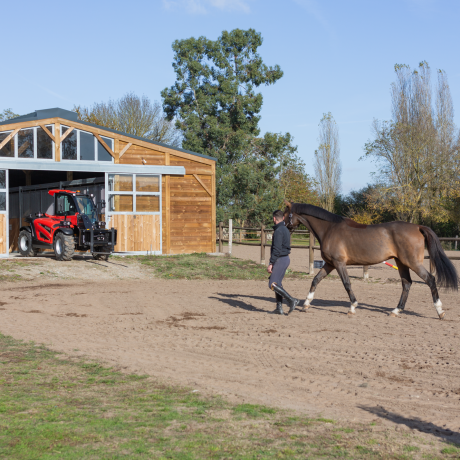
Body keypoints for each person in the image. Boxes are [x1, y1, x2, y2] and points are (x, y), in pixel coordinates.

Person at [268, 210, 300, 315]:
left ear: (274, 218)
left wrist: (271, 263)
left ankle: (292, 300)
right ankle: (279, 308)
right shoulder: (285, 229)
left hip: (280, 259)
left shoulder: (278, 231)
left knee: (272, 284)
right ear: (282, 218)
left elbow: (276, 249)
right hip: (285, 259)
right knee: (278, 284)